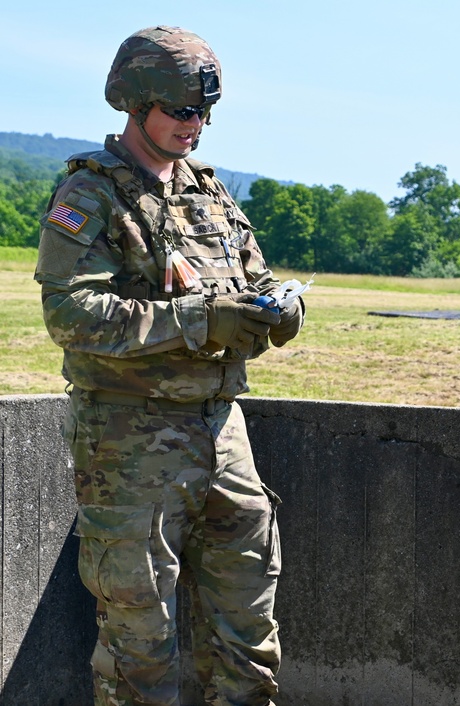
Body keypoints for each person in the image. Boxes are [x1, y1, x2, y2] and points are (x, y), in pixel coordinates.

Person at [34, 26, 303, 706]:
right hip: (131, 443)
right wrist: (198, 321)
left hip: (221, 431)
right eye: (183, 110)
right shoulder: (94, 195)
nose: (197, 125)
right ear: (135, 103)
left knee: (247, 633)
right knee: (139, 646)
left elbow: (255, 279)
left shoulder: (210, 195)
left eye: (206, 111)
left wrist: (276, 313)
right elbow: (72, 315)